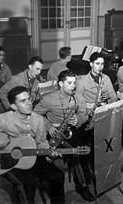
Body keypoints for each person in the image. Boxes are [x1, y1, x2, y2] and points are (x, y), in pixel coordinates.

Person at [0, 86, 65, 204]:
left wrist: (48, 151)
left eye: (29, 99)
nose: (29, 104)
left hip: (33, 155)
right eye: (23, 101)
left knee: (58, 176)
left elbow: (41, 142)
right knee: (29, 183)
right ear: (14, 106)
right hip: (7, 159)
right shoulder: (4, 119)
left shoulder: (38, 120)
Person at [34, 70, 96, 202]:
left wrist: (78, 119)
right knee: (75, 152)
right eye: (69, 83)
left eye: (74, 83)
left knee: (81, 150)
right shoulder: (48, 99)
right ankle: (76, 186)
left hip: (72, 130)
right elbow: (34, 114)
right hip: (56, 132)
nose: (73, 86)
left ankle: (82, 185)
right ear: (61, 83)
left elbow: (84, 114)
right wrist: (48, 125)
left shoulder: (77, 96)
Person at [76, 52, 117, 117]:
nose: (100, 67)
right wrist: (88, 112)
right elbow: (78, 103)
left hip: (105, 110)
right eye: (97, 64)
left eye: (102, 64)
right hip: (89, 113)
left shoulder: (106, 78)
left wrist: (108, 97)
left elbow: (114, 98)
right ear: (91, 64)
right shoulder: (82, 82)